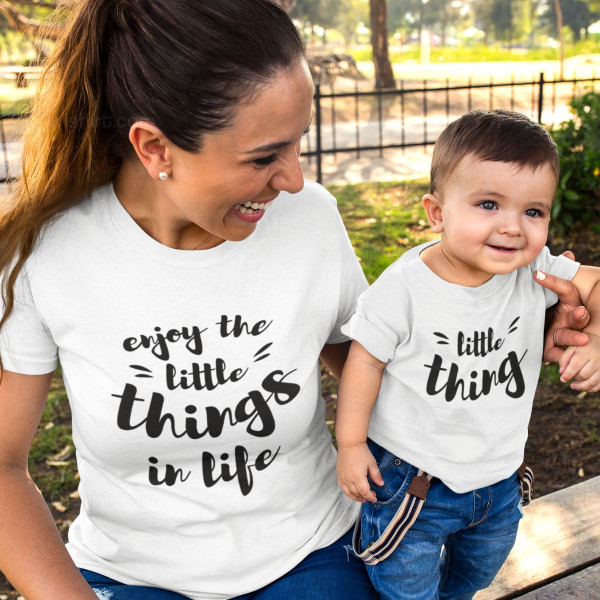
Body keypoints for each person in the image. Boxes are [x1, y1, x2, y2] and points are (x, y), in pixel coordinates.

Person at [0, 1, 588, 597]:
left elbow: (386, 363)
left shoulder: (308, 220)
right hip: (131, 578)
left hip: (311, 557)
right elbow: (2, 469)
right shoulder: (48, 255)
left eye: (297, 143)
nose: (294, 179)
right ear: (154, 149)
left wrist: (521, 333)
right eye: (263, 156)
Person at [335, 109, 600, 600]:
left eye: (533, 211)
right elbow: (364, 361)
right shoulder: (406, 289)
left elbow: (595, 282)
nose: (513, 227)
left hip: (499, 477)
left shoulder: (534, 269)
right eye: (488, 204)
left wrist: (598, 336)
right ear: (437, 212)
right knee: (405, 583)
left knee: (479, 571)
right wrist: (351, 445)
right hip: (414, 483)